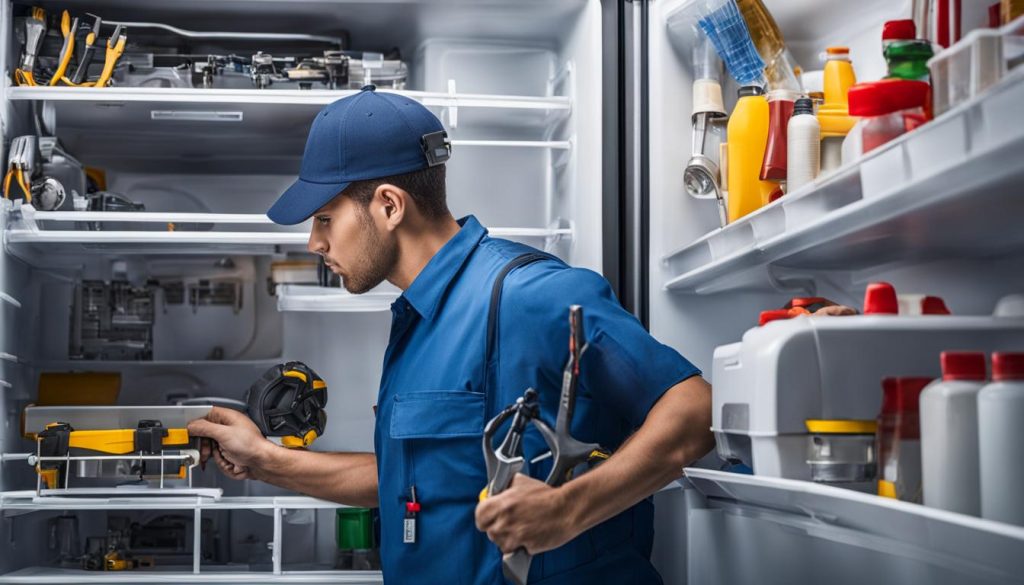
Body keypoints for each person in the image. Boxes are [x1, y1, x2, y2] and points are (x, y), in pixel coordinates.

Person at [187, 85, 714, 584]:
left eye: (325, 218)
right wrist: (265, 460)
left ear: (390, 206)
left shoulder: (531, 295)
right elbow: (412, 479)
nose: (314, 242)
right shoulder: (416, 320)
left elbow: (695, 410)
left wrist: (568, 510)